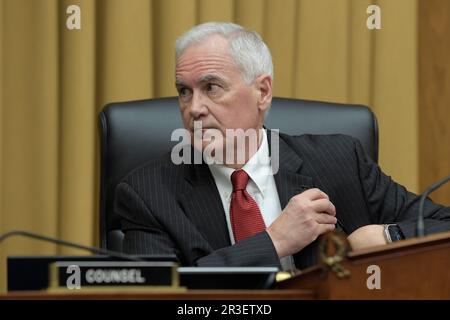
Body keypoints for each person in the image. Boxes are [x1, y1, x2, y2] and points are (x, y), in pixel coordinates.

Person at [114, 22, 450, 270]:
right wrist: (274, 242)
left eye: (211, 87)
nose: (194, 107)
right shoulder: (147, 192)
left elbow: (442, 226)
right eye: (184, 91)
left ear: (262, 92)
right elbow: (158, 292)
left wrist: (386, 238)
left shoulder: (340, 161)